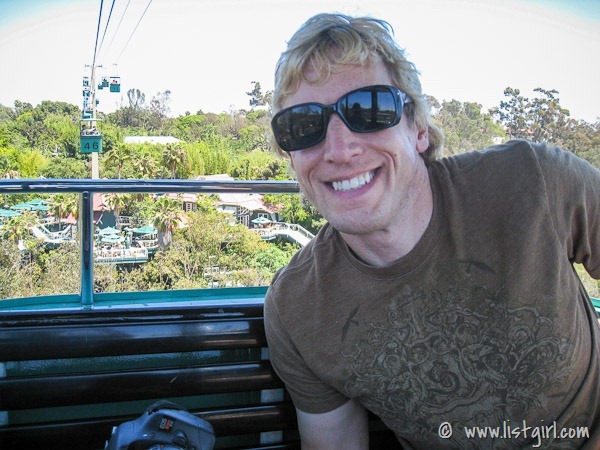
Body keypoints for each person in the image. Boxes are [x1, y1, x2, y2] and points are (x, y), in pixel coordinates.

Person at [264, 13, 600, 450]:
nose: (340, 150)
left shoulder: (533, 181)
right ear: (291, 157)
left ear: (418, 128)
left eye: (369, 110)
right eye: (304, 126)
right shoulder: (297, 308)